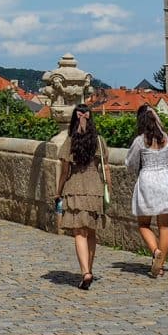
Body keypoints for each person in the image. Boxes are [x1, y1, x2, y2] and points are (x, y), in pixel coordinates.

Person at [125, 105, 168, 278]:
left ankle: (155, 251)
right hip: (166, 180)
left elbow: (130, 162)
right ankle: (160, 267)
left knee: (144, 224)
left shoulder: (140, 140)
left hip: (147, 180)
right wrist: (166, 171)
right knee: (164, 226)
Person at [54, 105, 110, 290]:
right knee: (91, 232)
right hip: (95, 188)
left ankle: (85, 271)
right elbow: (106, 167)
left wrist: (58, 191)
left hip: (75, 188)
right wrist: (108, 187)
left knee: (79, 232)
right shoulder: (99, 141)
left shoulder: (70, 141)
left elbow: (64, 171)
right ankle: (90, 270)